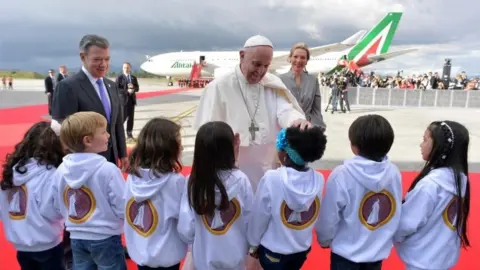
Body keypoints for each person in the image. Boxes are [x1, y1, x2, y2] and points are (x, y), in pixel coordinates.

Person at [193, 35, 311, 193]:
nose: (261, 71)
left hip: (268, 168)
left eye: (266, 66)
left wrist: (296, 121)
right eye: (256, 64)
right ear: (242, 56)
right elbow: (206, 137)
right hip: (232, 174)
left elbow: (285, 110)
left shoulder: (271, 84)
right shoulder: (219, 87)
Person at [315, 114, 402, 270]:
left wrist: (324, 239)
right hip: (376, 253)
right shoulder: (394, 173)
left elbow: (329, 215)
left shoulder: (342, 174)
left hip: (346, 255)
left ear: (354, 146)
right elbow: (395, 210)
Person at [44, 111, 127, 270]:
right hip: (106, 236)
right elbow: (122, 205)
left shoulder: (61, 170)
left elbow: (55, 203)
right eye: (103, 132)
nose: (108, 135)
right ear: (88, 140)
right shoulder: (108, 170)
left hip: (76, 236)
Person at [247, 126, 327, 270]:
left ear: (284, 154)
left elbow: (259, 216)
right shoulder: (318, 179)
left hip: (274, 252)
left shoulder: (272, 179)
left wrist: (253, 243)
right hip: (301, 250)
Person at [394, 121, 471, 270]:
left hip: (421, 262)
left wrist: (393, 236)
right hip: (441, 261)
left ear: (439, 146)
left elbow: (406, 224)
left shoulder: (430, 185)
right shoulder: (460, 180)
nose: (420, 145)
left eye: (425, 140)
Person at [177, 121, 254, 270]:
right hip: (236, 259)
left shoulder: (193, 182)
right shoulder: (241, 180)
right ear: (229, 150)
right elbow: (249, 221)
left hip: (204, 260)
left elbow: (186, 230)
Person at [50, 34, 128, 169]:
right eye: (97, 59)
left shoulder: (112, 85)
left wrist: (123, 154)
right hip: (84, 165)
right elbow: (63, 130)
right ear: (83, 57)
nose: (103, 64)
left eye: (107, 59)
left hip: (111, 160)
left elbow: (117, 124)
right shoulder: (68, 87)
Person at [0, 121, 65, 270]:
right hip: (47, 241)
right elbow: (51, 211)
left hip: (20, 243)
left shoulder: (12, 172)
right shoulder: (50, 174)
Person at [124, 118, 187, 270]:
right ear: (168, 148)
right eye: (179, 142)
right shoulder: (175, 182)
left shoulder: (133, 178)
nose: (182, 147)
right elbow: (185, 219)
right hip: (167, 253)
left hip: (141, 250)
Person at [279, 43, 325, 128]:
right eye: (295, 57)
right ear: (290, 58)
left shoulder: (313, 81)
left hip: (307, 130)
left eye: (303, 57)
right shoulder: (280, 80)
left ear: (307, 61)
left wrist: (316, 128)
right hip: (286, 129)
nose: (299, 60)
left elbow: (316, 110)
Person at [115, 62, 140, 143]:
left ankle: (129, 135)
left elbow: (137, 88)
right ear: (123, 68)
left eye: (128, 67)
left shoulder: (133, 78)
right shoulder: (119, 78)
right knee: (122, 119)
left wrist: (133, 89)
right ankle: (118, 134)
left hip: (131, 101)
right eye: (125, 67)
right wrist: (126, 91)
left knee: (131, 119)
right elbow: (117, 90)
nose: (126, 69)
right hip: (123, 102)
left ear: (130, 68)